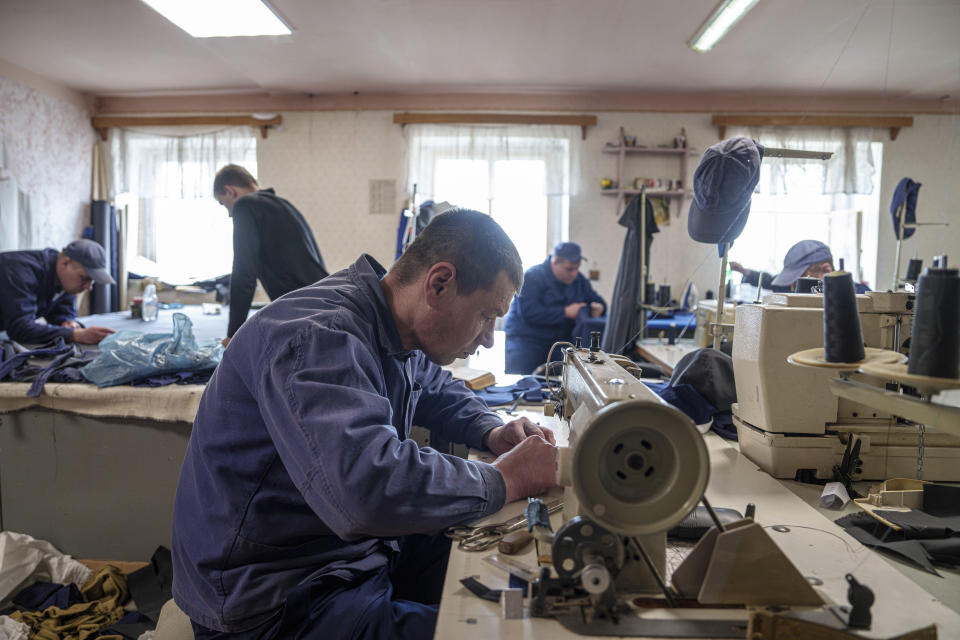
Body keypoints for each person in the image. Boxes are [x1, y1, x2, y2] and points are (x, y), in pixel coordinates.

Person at [172, 209, 558, 640]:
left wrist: (491, 429)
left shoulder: (391, 323)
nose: (489, 337)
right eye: (487, 314)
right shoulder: (319, 336)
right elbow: (367, 489)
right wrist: (505, 478)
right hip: (275, 601)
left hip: (340, 558)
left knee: (517, 585)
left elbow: (431, 384)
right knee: (504, 634)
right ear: (440, 283)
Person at [213, 164, 329, 346]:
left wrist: (233, 335)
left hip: (305, 317)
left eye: (223, 203)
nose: (229, 213)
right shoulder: (283, 204)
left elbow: (244, 273)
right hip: (324, 305)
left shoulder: (244, 206)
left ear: (230, 191)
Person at [503, 242, 606, 374]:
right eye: (569, 269)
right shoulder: (531, 277)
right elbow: (530, 313)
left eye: (577, 268)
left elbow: (598, 301)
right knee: (522, 382)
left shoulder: (579, 280)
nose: (574, 273)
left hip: (560, 342)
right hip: (527, 340)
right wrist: (565, 313)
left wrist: (600, 308)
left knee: (565, 382)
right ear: (555, 262)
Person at [0, 239, 116, 345]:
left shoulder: (65, 280)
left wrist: (66, 322)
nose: (88, 287)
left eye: (92, 281)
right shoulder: (20, 272)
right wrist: (75, 334)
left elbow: (62, 311)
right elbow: (20, 329)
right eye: (84, 278)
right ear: (65, 263)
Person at [731, 239, 867, 293]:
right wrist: (743, 271)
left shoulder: (859, 295)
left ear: (826, 270)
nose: (793, 286)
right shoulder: (790, 288)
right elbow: (770, 281)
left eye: (800, 278)